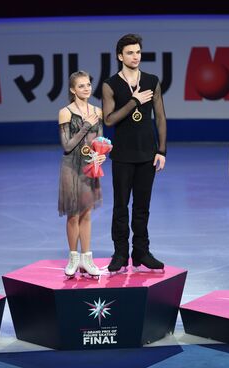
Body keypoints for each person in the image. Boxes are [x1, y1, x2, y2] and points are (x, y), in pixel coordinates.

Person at [101, 34, 167, 272]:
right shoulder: (110, 84)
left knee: (142, 206)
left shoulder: (151, 80)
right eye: (130, 52)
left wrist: (161, 150)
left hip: (147, 154)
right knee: (121, 206)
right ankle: (120, 253)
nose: (135, 56)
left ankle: (141, 251)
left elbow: (160, 116)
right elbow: (108, 119)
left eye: (138, 51)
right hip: (122, 155)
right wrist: (134, 101)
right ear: (120, 56)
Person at [58, 71, 106, 278]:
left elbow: (100, 141)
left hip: (90, 166)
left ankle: (87, 259)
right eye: (81, 86)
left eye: (88, 85)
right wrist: (86, 124)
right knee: (73, 214)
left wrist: (101, 154)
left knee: (87, 213)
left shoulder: (97, 111)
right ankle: (73, 258)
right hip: (71, 167)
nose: (86, 89)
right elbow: (67, 145)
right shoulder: (65, 112)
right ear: (72, 90)